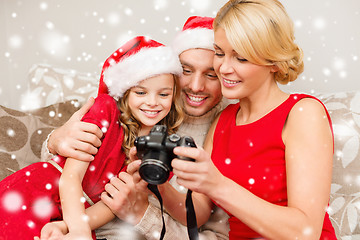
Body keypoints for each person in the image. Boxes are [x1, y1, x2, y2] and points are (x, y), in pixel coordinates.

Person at [157, 0, 337, 239]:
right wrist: (156, 183)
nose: (223, 68)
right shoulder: (223, 121)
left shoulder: (303, 113)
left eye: (241, 59)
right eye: (219, 54)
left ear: (274, 61)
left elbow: (305, 232)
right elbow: (199, 211)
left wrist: (217, 185)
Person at [40, 16, 231, 240]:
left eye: (211, 75)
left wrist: (142, 215)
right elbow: (68, 166)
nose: (196, 86)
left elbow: (211, 233)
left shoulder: (227, 132)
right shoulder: (130, 111)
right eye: (186, 71)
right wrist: (54, 141)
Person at [0, 35, 184, 240]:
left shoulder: (158, 151)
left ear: (174, 95)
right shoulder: (106, 110)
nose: (152, 102)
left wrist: (66, 227)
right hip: (41, 191)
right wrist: (79, 230)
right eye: (141, 92)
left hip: (77, 216)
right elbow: (71, 177)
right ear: (125, 93)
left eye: (163, 94)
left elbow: (111, 204)